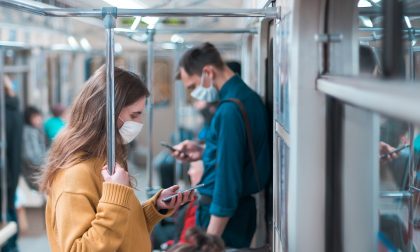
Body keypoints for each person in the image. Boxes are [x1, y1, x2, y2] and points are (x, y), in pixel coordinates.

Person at [39, 65, 194, 251]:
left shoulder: (105, 160)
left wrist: (155, 209)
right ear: (107, 115)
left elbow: (120, 230)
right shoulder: (75, 175)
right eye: (134, 115)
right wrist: (115, 195)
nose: (139, 123)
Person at [173, 42, 270, 248]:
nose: (193, 94)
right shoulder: (244, 99)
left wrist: (209, 240)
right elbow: (234, 155)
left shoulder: (229, 111)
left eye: (192, 87)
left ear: (208, 72)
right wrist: (203, 151)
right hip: (231, 214)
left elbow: (227, 181)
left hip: (222, 220)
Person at [1, 76, 23, 252]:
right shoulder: (15, 110)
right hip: (12, 172)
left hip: (4, 173)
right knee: (9, 209)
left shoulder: (4, 114)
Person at [22, 106, 46, 190]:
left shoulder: (36, 130)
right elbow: (32, 156)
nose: (39, 119)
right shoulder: (30, 132)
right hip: (34, 171)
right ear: (29, 118)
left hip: (36, 169)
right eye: (36, 117)